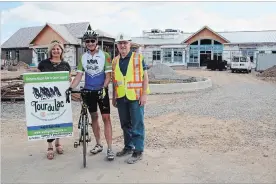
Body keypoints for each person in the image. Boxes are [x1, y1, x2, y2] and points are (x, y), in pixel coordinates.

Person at [68, 30, 115, 160]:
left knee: (106, 118)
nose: (90, 43)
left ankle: (110, 148)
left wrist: (104, 87)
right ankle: (99, 144)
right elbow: (78, 75)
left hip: (101, 91)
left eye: (92, 41)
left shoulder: (105, 55)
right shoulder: (83, 57)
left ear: (96, 41)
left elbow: (108, 76)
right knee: (94, 117)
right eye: (87, 41)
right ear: (85, 43)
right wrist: (70, 87)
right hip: (89, 91)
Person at [111, 33, 150, 164]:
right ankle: (128, 147)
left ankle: (138, 150)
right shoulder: (115, 60)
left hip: (136, 96)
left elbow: (145, 77)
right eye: (120, 43)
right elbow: (115, 80)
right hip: (121, 97)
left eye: (125, 43)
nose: (122, 45)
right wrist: (114, 96)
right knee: (125, 124)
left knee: (137, 124)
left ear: (130, 44)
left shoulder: (138, 58)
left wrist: (144, 94)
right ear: (117, 45)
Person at [37, 40, 71, 160]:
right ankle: (50, 145)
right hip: (46, 97)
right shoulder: (43, 64)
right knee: (49, 119)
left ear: (61, 51)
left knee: (59, 118)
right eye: (54, 49)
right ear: (50, 51)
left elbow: (68, 80)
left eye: (58, 49)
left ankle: (58, 142)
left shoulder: (65, 65)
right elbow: (36, 78)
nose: (56, 51)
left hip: (60, 97)